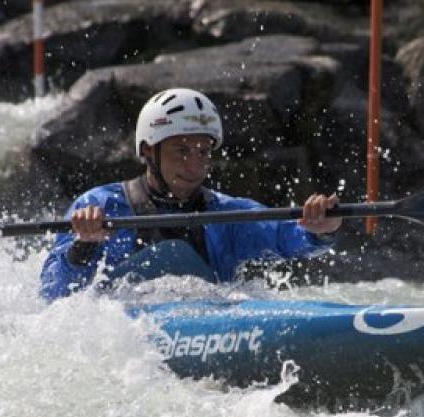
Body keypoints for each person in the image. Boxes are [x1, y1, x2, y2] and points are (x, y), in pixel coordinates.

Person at [40, 87, 341, 302]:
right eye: (181, 151)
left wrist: (319, 231)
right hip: (126, 344)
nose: (195, 165)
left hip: (205, 327)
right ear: (148, 150)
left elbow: (285, 237)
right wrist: (83, 246)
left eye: (203, 151)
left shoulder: (226, 214)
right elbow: (53, 293)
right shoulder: (102, 206)